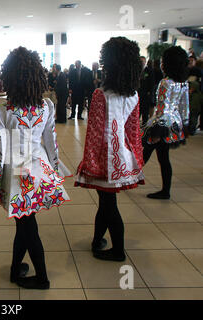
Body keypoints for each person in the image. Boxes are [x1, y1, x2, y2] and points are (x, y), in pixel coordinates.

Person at [0, 47, 70, 289]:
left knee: (27, 225)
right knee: (24, 222)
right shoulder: (46, 106)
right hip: (39, 169)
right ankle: (15, 270)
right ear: (38, 77)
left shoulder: (2, 111)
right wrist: (55, 170)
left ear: (9, 77)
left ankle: (42, 278)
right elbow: (51, 144)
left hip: (15, 173)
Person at [75, 37, 145, 262]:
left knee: (108, 204)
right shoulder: (133, 94)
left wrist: (89, 163)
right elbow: (134, 130)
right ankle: (97, 241)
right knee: (106, 202)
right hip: (122, 155)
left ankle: (118, 251)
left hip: (105, 159)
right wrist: (136, 159)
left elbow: (94, 134)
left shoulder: (100, 94)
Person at [142, 46, 190, 200]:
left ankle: (129, 177)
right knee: (160, 156)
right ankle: (164, 189)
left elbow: (162, 109)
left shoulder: (166, 82)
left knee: (149, 150)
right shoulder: (183, 82)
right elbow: (185, 108)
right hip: (174, 124)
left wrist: (158, 130)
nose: (161, 63)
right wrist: (185, 124)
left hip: (162, 124)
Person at [138, 56, 156, 125]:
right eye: (140, 62)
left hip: (146, 95)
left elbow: (152, 83)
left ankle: (145, 127)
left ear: (145, 62)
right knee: (138, 112)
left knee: (145, 113)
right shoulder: (136, 71)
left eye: (142, 62)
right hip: (138, 94)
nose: (141, 63)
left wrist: (150, 93)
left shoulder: (149, 71)